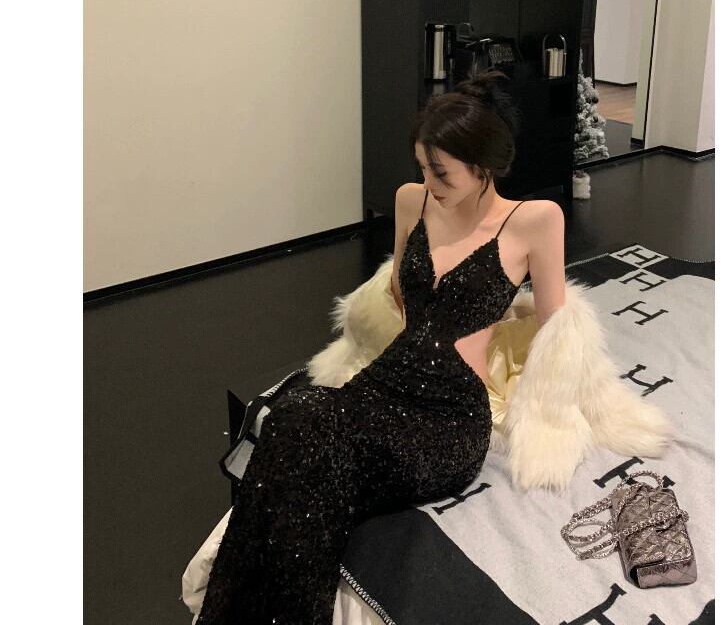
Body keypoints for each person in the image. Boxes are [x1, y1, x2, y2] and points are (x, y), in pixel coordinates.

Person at [195, 71, 567, 624]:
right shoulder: (411, 202)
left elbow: (559, 329)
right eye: (423, 168)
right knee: (294, 418)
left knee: (318, 460)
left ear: (484, 165)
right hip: (386, 382)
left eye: (441, 172)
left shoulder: (533, 221)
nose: (429, 181)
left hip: (448, 419)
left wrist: (507, 322)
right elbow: (399, 289)